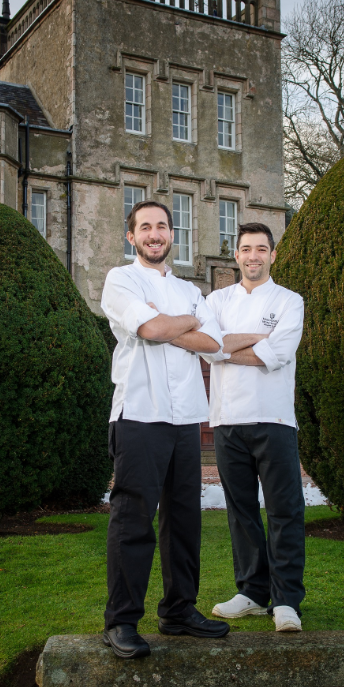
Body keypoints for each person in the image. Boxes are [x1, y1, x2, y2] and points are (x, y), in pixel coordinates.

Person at [98, 200, 231, 659]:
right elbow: (149, 329)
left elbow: (213, 345)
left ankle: (178, 610)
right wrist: (176, 326)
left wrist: (168, 324)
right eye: (145, 227)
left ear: (173, 235)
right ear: (131, 237)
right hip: (139, 414)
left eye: (162, 226)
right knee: (133, 520)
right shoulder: (121, 280)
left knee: (183, 520)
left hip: (185, 418)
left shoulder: (192, 291)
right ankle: (121, 621)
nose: (155, 234)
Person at [202, 222, 307, 633]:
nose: (253, 256)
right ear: (237, 255)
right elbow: (209, 347)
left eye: (261, 249)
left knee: (285, 511)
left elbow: (277, 352)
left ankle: (286, 602)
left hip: (275, 418)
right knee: (241, 512)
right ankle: (250, 592)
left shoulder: (289, 301)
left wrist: (228, 346)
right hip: (228, 419)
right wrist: (251, 341)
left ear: (272, 255)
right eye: (246, 249)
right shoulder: (216, 299)